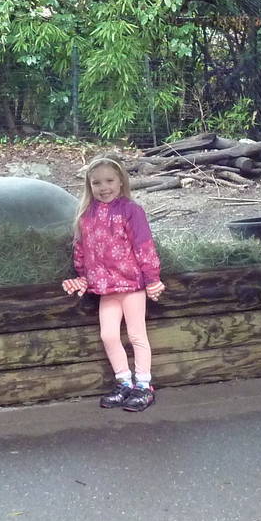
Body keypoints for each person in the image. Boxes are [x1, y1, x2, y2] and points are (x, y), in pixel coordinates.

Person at [61, 155, 165, 412]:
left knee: (136, 335)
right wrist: (83, 276)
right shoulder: (86, 215)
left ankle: (143, 386)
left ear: (120, 182)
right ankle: (123, 382)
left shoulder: (131, 210)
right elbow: (82, 249)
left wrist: (152, 279)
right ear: (89, 186)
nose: (103, 187)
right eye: (96, 183)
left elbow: (143, 246)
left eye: (109, 181)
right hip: (106, 288)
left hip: (131, 285)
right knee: (108, 335)